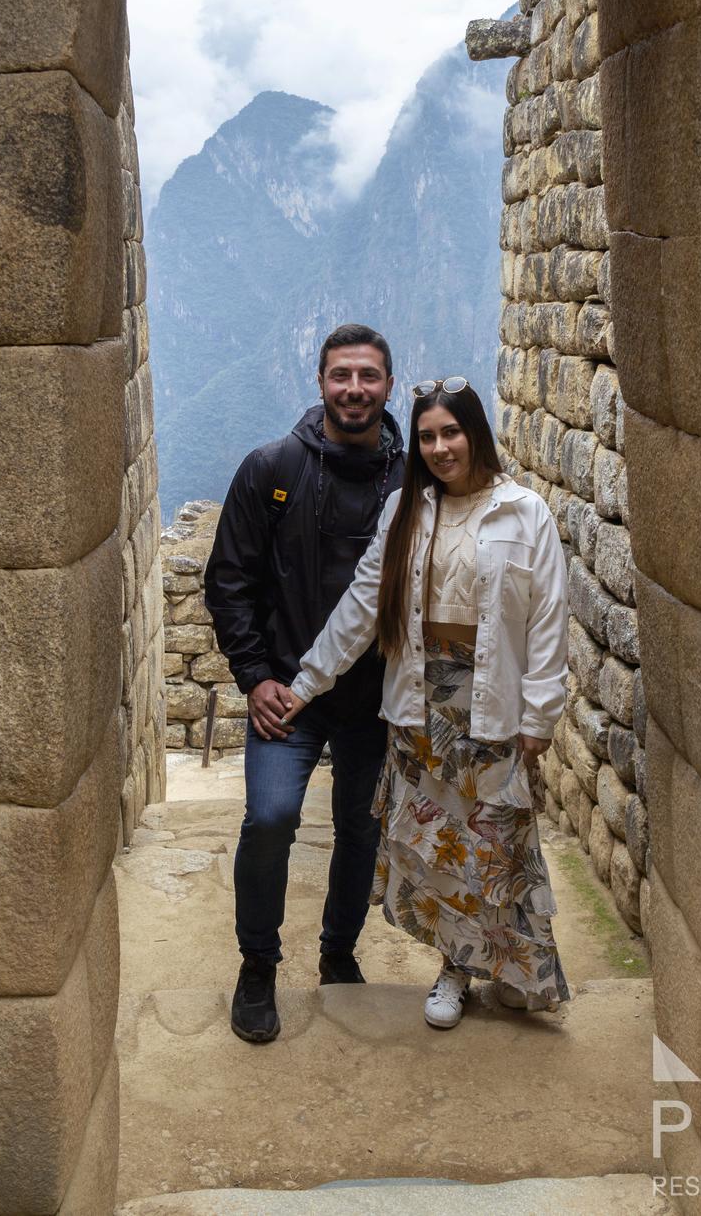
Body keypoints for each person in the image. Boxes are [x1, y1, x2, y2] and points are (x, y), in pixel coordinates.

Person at [286, 377, 570, 1029]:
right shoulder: (406, 512)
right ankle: (455, 970)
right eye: (427, 437)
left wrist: (540, 715)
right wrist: (309, 680)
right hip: (421, 704)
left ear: (475, 433)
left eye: (451, 432)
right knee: (445, 847)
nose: (440, 447)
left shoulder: (524, 512)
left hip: (492, 698)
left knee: (497, 845)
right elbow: (363, 604)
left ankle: (505, 968)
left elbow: (550, 619)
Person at [206, 325, 405, 1044]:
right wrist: (255, 676)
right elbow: (229, 580)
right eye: (341, 375)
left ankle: (337, 955)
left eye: (369, 377)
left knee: (362, 828)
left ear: (387, 386)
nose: (355, 389)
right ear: (319, 381)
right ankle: (257, 962)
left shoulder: (414, 485)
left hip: (376, 701)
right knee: (269, 819)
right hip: (288, 698)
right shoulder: (272, 469)